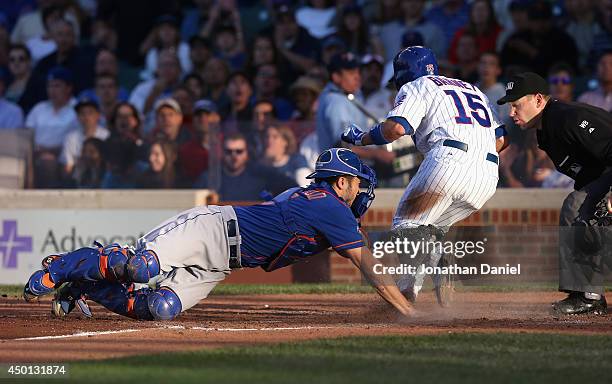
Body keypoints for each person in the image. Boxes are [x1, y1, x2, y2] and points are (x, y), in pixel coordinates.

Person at [23, 148, 415, 321]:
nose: (362, 192)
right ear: (342, 182)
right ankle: (64, 266)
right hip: (210, 229)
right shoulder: (330, 206)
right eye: (358, 184)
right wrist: (409, 311)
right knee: (140, 267)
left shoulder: (318, 199)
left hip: (222, 263)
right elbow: (369, 268)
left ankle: (84, 285)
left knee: (157, 309)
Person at [342, 46, 506, 303]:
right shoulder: (473, 88)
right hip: (487, 174)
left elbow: (396, 128)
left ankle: (440, 261)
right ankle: (408, 292)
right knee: (430, 231)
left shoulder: (418, 84)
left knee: (406, 226)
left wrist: (362, 138)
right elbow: (501, 140)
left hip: (449, 160)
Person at [497, 72, 612, 315]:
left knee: (576, 207)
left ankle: (588, 295)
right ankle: (588, 294)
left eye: (517, 105)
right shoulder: (546, 129)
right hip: (603, 178)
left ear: (539, 100)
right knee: (580, 210)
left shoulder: (567, 117)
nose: (512, 113)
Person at [194, 133, 296, 201]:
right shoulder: (209, 178)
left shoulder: (259, 174)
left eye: (239, 151)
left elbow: (292, 187)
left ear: (246, 153)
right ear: (222, 153)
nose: (234, 156)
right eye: (229, 152)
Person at [59, 98, 110, 175]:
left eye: (90, 113)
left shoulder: (107, 135)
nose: (86, 117)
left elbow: (109, 164)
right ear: (77, 117)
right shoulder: (70, 137)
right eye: (82, 113)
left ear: (98, 115)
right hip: (78, 178)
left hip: (102, 179)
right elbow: (67, 168)